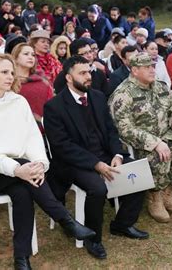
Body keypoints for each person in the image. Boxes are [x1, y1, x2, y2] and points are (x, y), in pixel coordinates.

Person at [0, 54, 96, 269]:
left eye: (11, 72)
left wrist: (39, 164)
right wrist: (17, 168)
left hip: (18, 173)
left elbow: (33, 138)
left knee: (24, 191)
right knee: (21, 171)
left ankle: (21, 258)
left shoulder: (18, 102)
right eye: (4, 72)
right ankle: (66, 220)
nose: (10, 76)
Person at [44, 56, 148, 259]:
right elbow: (62, 147)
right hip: (74, 163)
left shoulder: (98, 97)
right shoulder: (54, 107)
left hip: (105, 155)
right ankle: (93, 238)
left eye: (89, 71)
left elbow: (111, 130)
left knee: (139, 172)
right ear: (68, 77)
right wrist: (95, 164)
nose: (88, 76)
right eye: (82, 73)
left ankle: (122, 224)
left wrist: (117, 154)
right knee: (97, 188)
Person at [109, 53, 172, 223]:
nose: (152, 70)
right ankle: (154, 198)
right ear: (134, 70)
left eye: (152, 66)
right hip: (139, 144)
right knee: (160, 156)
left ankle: (167, 194)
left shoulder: (160, 87)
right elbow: (124, 129)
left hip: (166, 136)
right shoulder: (122, 94)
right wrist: (155, 143)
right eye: (147, 67)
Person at [11, 43, 54, 125]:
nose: (30, 57)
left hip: (40, 131)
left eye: (33, 55)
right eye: (26, 54)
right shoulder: (7, 82)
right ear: (15, 58)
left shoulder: (43, 82)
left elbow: (52, 109)